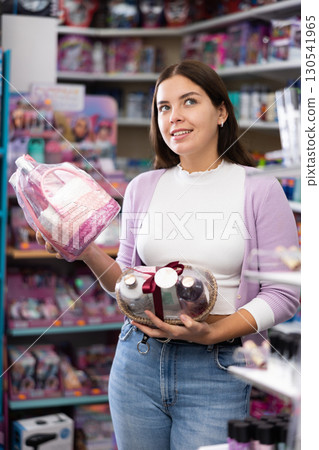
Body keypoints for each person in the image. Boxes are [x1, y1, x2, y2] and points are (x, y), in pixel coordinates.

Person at [37, 60, 300, 449]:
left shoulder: (259, 188)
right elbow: (127, 283)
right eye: (163, 107)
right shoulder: (144, 186)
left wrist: (212, 332)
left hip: (216, 367)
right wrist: (85, 250)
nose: (174, 116)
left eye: (189, 101)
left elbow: (284, 294)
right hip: (136, 362)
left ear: (221, 111)